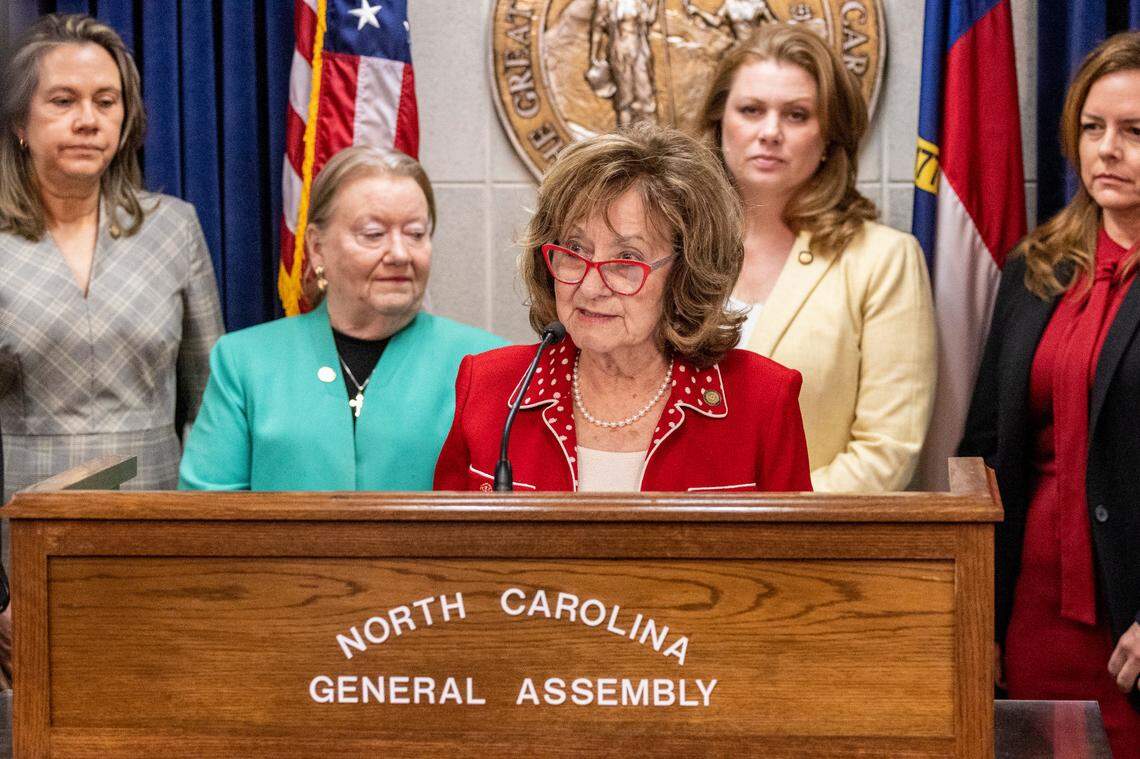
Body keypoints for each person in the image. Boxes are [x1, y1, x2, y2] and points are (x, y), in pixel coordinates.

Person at [433, 124, 811, 493]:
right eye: (575, 250)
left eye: (627, 259)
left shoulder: (762, 400)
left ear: (686, 272)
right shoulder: (490, 388)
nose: (590, 286)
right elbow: (446, 551)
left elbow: (797, 555)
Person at [959, 32, 1140, 757]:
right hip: (1030, 609)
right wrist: (977, 611)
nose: (1107, 149)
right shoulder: (1036, 268)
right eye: (1093, 128)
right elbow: (982, 447)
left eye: (1134, 131)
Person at [692, 24, 936, 493]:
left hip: (811, 550)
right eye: (751, 110)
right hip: (665, 544)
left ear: (830, 137)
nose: (770, 132)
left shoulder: (882, 260)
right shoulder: (675, 248)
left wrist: (759, 521)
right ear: (719, 122)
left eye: (797, 115)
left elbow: (885, 454)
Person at [180, 146, 506, 491]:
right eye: (373, 234)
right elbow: (207, 517)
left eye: (415, 233)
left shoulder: (489, 364)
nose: (399, 254)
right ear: (317, 247)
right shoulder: (244, 361)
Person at [0, 14, 224, 498]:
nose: (87, 120)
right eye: (63, 101)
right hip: (23, 509)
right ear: (20, 120)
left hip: (154, 505)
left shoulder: (174, 227)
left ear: (125, 121)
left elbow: (209, 401)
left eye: (106, 102)